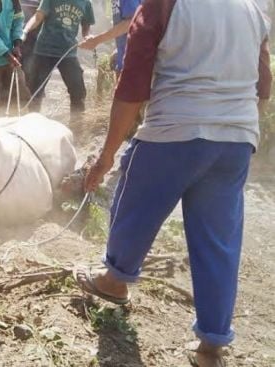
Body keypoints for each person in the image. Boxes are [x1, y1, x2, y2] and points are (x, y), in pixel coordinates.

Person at [74, 0, 271, 366]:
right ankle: (211, 346)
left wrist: (105, 158)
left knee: (133, 202)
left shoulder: (162, 4)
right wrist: (236, 128)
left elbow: (132, 88)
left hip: (175, 131)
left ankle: (114, 280)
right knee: (219, 240)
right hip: (237, 140)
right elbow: (263, 87)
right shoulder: (252, 9)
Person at [23, 0, 94, 117]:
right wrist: (25, 31)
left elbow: (86, 24)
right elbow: (38, 17)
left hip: (68, 51)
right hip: (45, 49)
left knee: (78, 91)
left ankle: (77, 125)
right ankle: (32, 122)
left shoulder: (86, 2)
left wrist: (87, 36)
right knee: (35, 91)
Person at [79, 0, 142, 76]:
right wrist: (118, 51)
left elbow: (131, 21)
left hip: (135, 63)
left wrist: (96, 40)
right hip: (125, 59)